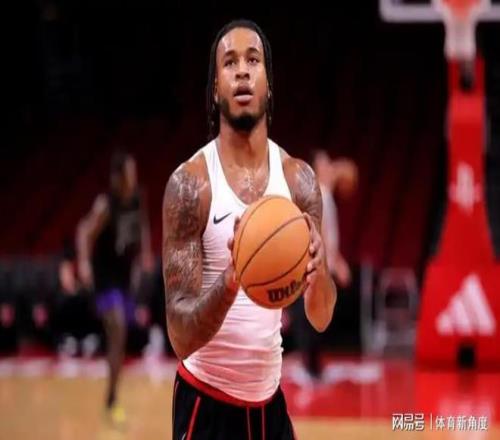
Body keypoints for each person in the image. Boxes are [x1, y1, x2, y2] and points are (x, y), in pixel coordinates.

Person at [162, 20, 337, 440]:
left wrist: (318, 276)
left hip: (270, 408)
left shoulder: (299, 181)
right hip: (206, 405)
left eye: (253, 60)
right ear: (215, 90)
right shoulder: (191, 185)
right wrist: (230, 280)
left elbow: (321, 317)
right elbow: (180, 337)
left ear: (268, 85)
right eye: (230, 62)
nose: (242, 70)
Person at [76, 150, 153, 427]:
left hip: (124, 277)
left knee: (119, 340)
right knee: (118, 328)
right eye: (128, 173)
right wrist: (84, 263)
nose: (133, 177)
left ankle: (112, 396)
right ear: (118, 177)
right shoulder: (105, 204)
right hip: (105, 277)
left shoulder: (137, 198)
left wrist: (146, 252)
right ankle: (111, 399)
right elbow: (84, 232)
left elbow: (143, 225)